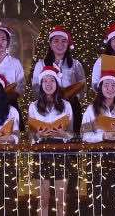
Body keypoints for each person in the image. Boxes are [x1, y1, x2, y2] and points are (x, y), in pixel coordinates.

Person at [82, 70, 115, 215]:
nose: (110, 88)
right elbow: (84, 134)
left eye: (113, 85)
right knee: (97, 194)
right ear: (100, 87)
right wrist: (103, 135)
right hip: (97, 156)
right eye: (106, 85)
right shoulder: (91, 109)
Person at [29, 65, 76, 216]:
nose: (48, 84)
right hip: (41, 151)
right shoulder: (33, 106)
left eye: (52, 81)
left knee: (61, 200)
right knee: (43, 199)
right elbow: (31, 136)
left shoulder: (66, 105)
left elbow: (72, 134)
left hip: (61, 151)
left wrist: (63, 134)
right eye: (45, 81)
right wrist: (39, 135)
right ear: (41, 84)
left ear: (57, 83)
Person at [33, 26, 87, 131]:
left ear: (68, 44)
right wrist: (49, 99)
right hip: (47, 107)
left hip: (72, 107)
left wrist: (70, 97)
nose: (60, 44)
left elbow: (82, 88)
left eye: (64, 41)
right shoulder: (41, 64)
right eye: (56, 41)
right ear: (50, 44)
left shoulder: (76, 65)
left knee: (72, 136)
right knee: (49, 135)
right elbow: (36, 88)